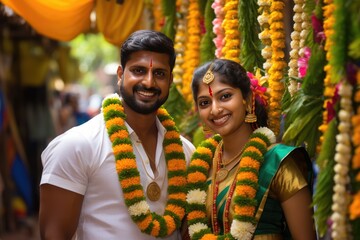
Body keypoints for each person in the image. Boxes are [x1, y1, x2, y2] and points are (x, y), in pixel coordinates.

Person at [39, 30, 195, 240]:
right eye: (139, 71)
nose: (149, 82)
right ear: (121, 75)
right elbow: (54, 234)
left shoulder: (185, 151)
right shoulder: (78, 145)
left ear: (170, 80)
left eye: (159, 73)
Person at [185, 59, 317, 240]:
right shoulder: (200, 165)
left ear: (247, 100)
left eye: (225, 96)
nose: (215, 109)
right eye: (204, 102)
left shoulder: (278, 162)